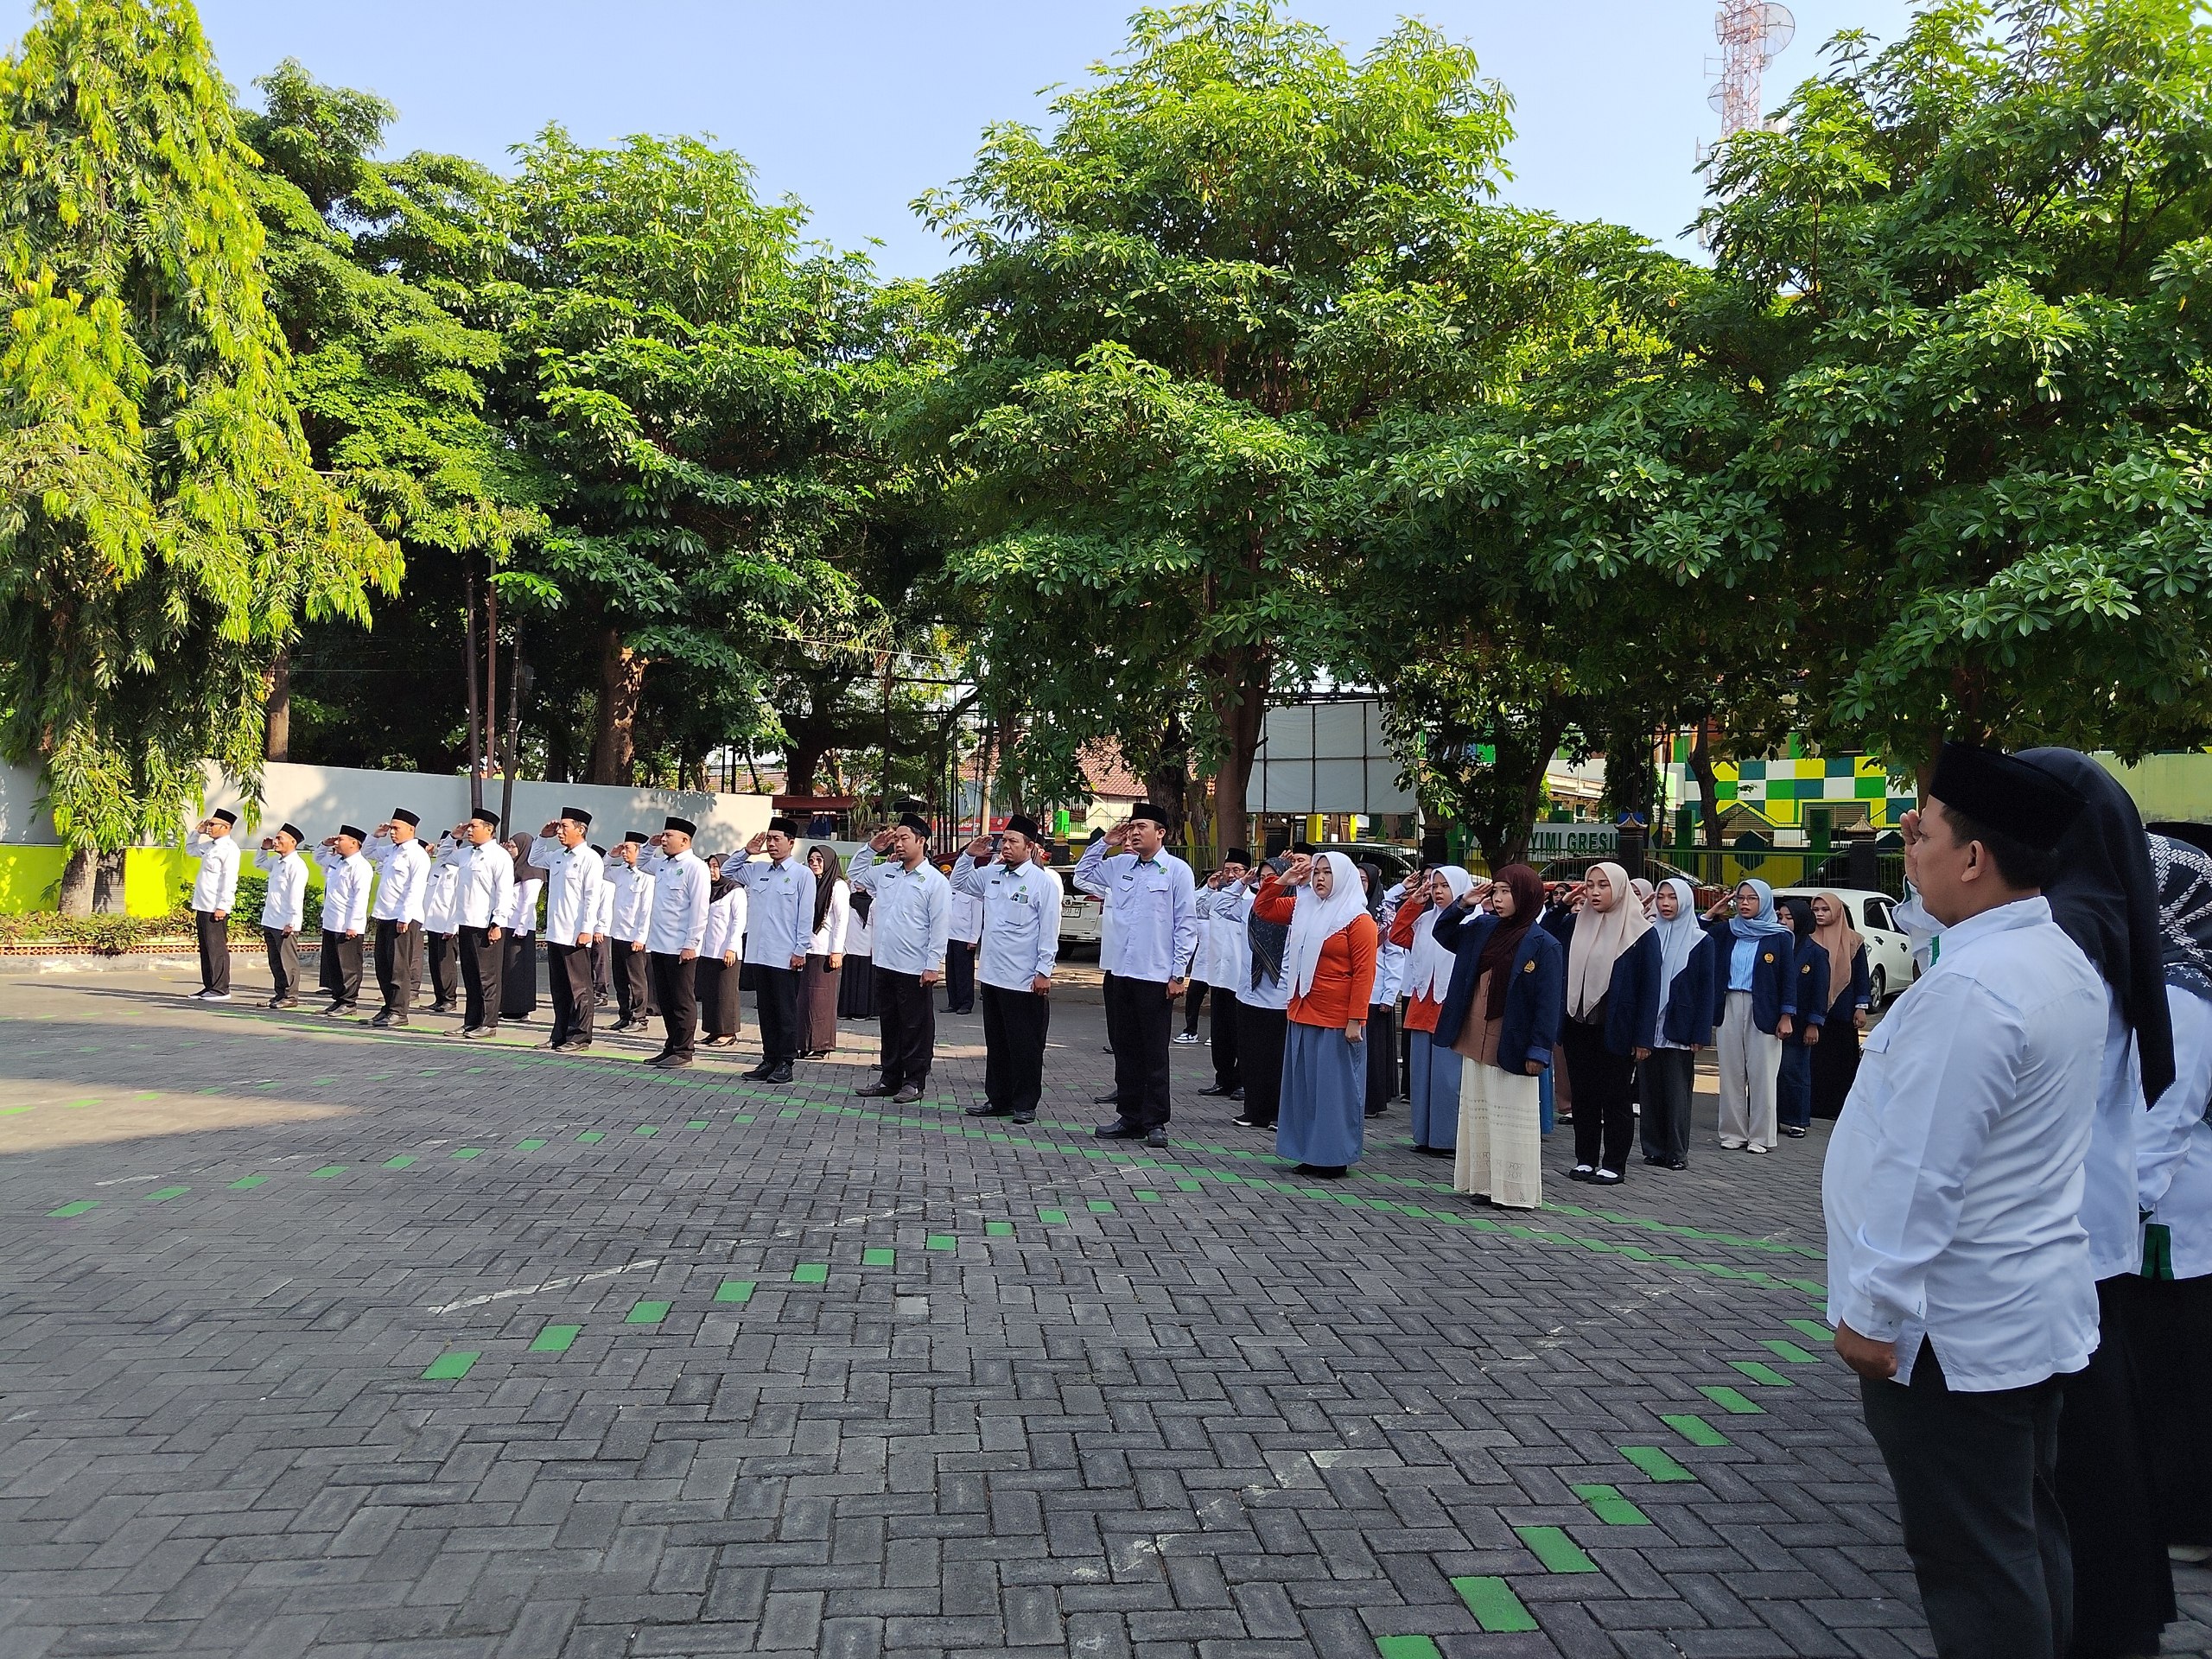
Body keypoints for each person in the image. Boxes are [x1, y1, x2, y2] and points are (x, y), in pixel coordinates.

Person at [1825, 741, 2101, 1659]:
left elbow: (1921, 1171)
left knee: (1973, 1562)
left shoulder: (1975, 988)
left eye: (1923, 834)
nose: (1910, 849)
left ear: (1975, 858)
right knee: (2019, 1532)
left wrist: (1874, 1313)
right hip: (2021, 1311)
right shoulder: (2046, 953)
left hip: (1949, 1330)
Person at [2021, 748, 2178, 1658]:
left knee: (2080, 1462)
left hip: (2061, 1236)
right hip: (2090, 1230)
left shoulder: (2068, 929)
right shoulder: (2090, 914)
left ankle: (2101, 1624)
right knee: (2099, 1456)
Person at [2135, 834, 2212, 1567]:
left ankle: (2189, 1513)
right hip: (2177, 1209)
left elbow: (2165, 1117)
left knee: (2178, 1366)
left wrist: (2126, 1201)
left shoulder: (2183, 996)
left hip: (2174, 1214)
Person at [1431, 863, 1560, 1210]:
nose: (1500, 899)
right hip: (1475, 1030)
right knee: (1479, 1112)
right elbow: (1443, 934)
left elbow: (1548, 1005)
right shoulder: (1483, 927)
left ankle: (1514, 1191)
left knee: (1511, 1114)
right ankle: (1484, 1184)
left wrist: (1539, 1050)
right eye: (1497, 891)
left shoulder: (1543, 944)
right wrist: (1462, 904)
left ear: (1528, 896)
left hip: (1512, 1037)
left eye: (1508, 892)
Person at [1076, 804, 1199, 1148]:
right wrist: (1105, 843)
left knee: (1154, 1051)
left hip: (1155, 974)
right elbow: (1081, 875)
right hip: (1120, 971)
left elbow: (1186, 924)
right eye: (1131, 826)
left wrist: (1178, 973)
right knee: (1125, 1046)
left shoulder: (1177, 871)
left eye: (1141, 826)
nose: (1133, 832)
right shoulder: (1119, 865)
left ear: (1160, 832)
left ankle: (1155, 1120)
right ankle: (1128, 1116)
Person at [1255, 850, 1378, 1178]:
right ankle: (1308, 1151)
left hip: (1337, 1019)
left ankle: (1333, 1156)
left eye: (1328, 872)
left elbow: (1365, 974)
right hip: (1302, 1010)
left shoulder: (1358, 919)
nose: (1320, 878)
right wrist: (1284, 880)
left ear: (1344, 877)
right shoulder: (1303, 907)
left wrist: (1356, 1020)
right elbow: (1263, 908)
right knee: (1305, 1089)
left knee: (1333, 1092)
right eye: (1317, 872)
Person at [1544, 861, 1660, 1185]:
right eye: (1590, 884)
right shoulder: (1575, 923)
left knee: (1616, 1097)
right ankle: (1585, 1158)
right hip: (1577, 1024)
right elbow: (1546, 938)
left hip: (1616, 1029)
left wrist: (1643, 1038)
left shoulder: (1641, 932)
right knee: (1583, 1096)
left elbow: (1650, 990)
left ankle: (1614, 1163)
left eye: (1603, 885)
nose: (1594, 891)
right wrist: (1558, 906)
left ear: (1620, 888)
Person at [952, 814, 1061, 1124]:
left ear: (1031, 847)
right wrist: (969, 854)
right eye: (1004, 840)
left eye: (1013, 841)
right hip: (992, 973)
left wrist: (1044, 971)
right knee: (997, 1043)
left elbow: (1048, 930)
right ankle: (997, 1099)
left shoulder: (1042, 883)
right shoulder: (991, 873)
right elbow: (959, 882)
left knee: (1024, 1044)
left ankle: (1025, 1102)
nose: (1006, 846)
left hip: (1024, 978)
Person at [849, 814, 951, 1103]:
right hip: (884, 963)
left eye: (905, 837)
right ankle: (890, 1078)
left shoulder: (934, 882)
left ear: (922, 841)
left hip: (914, 966)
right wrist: (871, 848)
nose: (899, 843)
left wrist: (933, 965)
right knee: (889, 1023)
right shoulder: (888, 872)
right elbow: (855, 874)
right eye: (897, 838)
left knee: (915, 1026)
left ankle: (914, 1081)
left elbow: (940, 926)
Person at [1703, 879, 1797, 1154]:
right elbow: (1696, 935)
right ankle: (1733, 1132)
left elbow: (1787, 979)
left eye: (1752, 899)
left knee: (1763, 1074)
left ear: (1765, 902)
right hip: (1729, 1004)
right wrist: (1711, 913)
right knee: (1731, 1073)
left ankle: (1761, 1136)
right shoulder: (1727, 932)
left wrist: (1786, 1015)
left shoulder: (1778, 936)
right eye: (1740, 898)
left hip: (1764, 1009)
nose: (1744, 903)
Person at [1391, 866, 1477, 1156]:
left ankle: (1447, 1138)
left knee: (1447, 1079)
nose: (1438, 891)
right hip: (1422, 1003)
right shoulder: (1424, 919)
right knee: (1423, 1078)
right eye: (1435, 885)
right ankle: (1425, 1135)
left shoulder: (1473, 923)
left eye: (1445, 886)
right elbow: (1397, 934)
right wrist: (1414, 902)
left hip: (1450, 1007)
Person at [1641, 877, 1716, 1170]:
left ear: (1685, 901)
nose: (1666, 904)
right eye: (1661, 898)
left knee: (1676, 1091)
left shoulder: (1701, 940)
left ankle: (1676, 1150)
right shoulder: (1649, 934)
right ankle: (1653, 1147)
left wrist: (1700, 1032)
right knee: (1649, 1089)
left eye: (1672, 898)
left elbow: (1705, 989)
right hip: (1650, 1025)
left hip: (1679, 1027)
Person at [731, 818, 812, 1083]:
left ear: (791, 842)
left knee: (785, 1011)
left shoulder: (802, 875)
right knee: (765, 1011)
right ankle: (769, 1059)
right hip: (758, 953)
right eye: (770, 839)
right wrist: (747, 852)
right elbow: (729, 871)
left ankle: (786, 1062)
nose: (772, 844)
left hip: (785, 954)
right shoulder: (758, 870)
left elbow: (805, 915)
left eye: (778, 839)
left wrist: (801, 949)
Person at [1212, 856, 1287, 1130]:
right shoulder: (1249, 904)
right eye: (1263, 876)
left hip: (1281, 994)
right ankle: (1255, 1110)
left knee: (1277, 1058)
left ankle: (1279, 1112)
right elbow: (1217, 906)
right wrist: (1241, 883)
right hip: (1249, 991)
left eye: (1274, 876)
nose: (1268, 881)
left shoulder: (1295, 907)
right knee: (1252, 1057)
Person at [526, 809, 606, 1052]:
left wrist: (586, 929)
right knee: (559, 988)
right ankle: (559, 1034)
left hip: (576, 934)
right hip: (556, 932)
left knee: (580, 988)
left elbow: (593, 897)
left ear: (580, 830)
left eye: (564, 827)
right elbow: (534, 860)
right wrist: (542, 836)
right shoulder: (559, 855)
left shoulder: (590, 858)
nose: (560, 832)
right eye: (558, 828)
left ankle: (580, 1036)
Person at [644, 817, 710, 1068]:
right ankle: (671, 1045)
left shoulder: (695, 867)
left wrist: (691, 943)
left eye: (668, 835)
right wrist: (649, 845)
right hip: (660, 944)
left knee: (682, 1001)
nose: (664, 839)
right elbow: (640, 862)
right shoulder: (663, 865)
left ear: (685, 840)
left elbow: (699, 908)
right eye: (663, 834)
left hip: (681, 946)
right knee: (666, 1000)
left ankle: (684, 1050)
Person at [442, 810, 514, 1038]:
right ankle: (471, 1021)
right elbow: (444, 856)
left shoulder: (498, 856)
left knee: (488, 977)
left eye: (474, 826)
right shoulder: (465, 854)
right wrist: (454, 837)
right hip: (466, 922)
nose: (469, 830)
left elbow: (504, 892)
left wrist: (498, 922)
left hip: (486, 924)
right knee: (471, 976)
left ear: (489, 829)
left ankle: (489, 1023)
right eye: (469, 826)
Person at [1807, 892, 1872, 1121]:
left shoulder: (1854, 940)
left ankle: (1838, 1108)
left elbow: (1861, 975)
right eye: (1816, 910)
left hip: (1842, 1012)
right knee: (1815, 1062)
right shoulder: (1808, 938)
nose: (1820, 915)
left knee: (1841, 1062)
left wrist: (1860, 1006)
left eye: (1825, 910)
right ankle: (1813, 1106)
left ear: (1837, 911)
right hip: (1813, 1012)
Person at [1193, 848, 1250, 1100]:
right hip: (1218, 975)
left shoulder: (1252, 898)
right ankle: (1223, 1078)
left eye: (1236, 870)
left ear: (1247, 873)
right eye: (1227, 870)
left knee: (1241, 1032)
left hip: (1241, 978)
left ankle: (1243, 1080)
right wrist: (1209, 887)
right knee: (1220, 1032)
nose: (1230, 875)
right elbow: (1196, 909)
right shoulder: (1217, 897)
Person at [365, 809, 430, 1029]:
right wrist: (376, 834)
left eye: (396, 828)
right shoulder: (393, 851)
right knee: (383, 965)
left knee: (398, 967)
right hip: (385, 915)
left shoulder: (417, 854)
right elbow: (367, 852)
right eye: (391, 828)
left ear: (411, 830)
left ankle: (399, 1011)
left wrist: (405, 917)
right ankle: (387, 1007)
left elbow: (416, 888)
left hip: (403, 918)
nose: (392, 832)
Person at [1774, 896, 1831, 1141]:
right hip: (1771, 1021)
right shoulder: (1773, 946)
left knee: (1794, 1071)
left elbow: (1820, 990)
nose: (1784, 922)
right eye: (1780, 917)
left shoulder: (1816, 953)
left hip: (1800, 1024)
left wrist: (1813, 1023)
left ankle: (1797, 1119)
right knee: (1770, 1072)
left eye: (1789, 918)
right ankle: (1770, 1117)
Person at [313, 825, 373, 1017]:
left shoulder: (360, 866)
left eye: (341, 840)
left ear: (354, 843)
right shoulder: (338, 862)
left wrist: (353, 925)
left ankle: (349, 1002)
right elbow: (318, 858)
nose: (337, 843)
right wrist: (324, 844)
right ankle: (338, 999)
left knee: (348, 965)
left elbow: (360, 897)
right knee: (334, 964)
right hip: (331, 921)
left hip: (347, 924)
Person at [184, 808, 241, 1001]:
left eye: (212, 825)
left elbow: (229, 879)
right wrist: (196, 833)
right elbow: (191, 850)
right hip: (203, 904)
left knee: (217, 948)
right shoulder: (211, 846)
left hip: (216, 906)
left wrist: (223, 906)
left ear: (226, 827)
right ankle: (209, 986)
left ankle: (221, 989)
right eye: (208, 824)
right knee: (206, 947)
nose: (209, 827)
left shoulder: (230, 849)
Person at [799, 845, 851, 1056]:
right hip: (806, 948)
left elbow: (841, 920)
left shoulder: (837, 886)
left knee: (821, 1000)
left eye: (819, 860)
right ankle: (804, 1044)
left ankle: (821, 1045)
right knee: (804, 1001)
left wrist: (836, 951)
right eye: (811, 860)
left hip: (826, 950)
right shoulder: (809, 883)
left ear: (829, 861)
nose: (814, 864)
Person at [605, 832, 658, 1033]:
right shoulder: (620, 872)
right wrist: (612, 855)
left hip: (634, 936)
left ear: (639, 851)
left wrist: (641, 936)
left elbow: (646, 909)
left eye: (628, 849)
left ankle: (640, 1018)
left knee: (636, 979)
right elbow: (600, 871)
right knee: (620, 979)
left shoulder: (646, 876)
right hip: (618, 932)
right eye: (624, 848)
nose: (625, 852)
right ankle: (624, 1015)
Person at [1362, 863, 1402, 1119]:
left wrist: (1389, 994)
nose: (1360, 885)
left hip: (1376, 994)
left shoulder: (1385, 914)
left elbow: (1395, 956)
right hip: (1351, 991)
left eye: (1364, 880)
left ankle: (1372, 1101)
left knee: (1373, 1051)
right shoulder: (1346, 909)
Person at [253, 823, 309, 1009]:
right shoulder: (277, 862)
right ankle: (279, 994)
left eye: (280, 839)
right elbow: (259, 863)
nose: (275, 842)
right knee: (275, 961)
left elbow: (296, 895)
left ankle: (291, 996)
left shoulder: (297, 866)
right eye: (276, 838)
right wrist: (263, 849)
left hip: (285, 922)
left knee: (288, 961)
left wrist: (291, 922)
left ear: (293, 842)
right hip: (271, 919)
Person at [696, 855, 746, 1049]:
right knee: (710, 993)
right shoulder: (707, 890)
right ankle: (713, 1030)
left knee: (725, 992)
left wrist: (732, 947)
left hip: (727, 950)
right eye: (709, 866)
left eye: (716, 866)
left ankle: (728, 1032)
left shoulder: (735, 891)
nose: (712, 870)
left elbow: (738, 922)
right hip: (708, 950)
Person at [497, 836, 543, 1021]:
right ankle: (508, 1007)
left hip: (521, 928)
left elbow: (529, 902)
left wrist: (522, 927)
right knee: (508, 970)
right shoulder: (514, 868)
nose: (511, 848)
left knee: (519, 971)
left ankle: (520, 1009)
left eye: (514, 846)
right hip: (509, 924)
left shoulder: (532, 871)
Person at [421, 823, 462, 1015]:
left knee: (446, 964)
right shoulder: (436, 866)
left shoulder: (458, 869)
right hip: (432, 922)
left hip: (447, 924)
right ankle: (439, 997)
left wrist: (452, 926)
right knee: (435, 963)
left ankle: (449, 999)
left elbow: (457, 900)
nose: (440, 847)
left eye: (445, 844)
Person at [944, 861, 982, 1016]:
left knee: (964, 973)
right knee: (950, 972)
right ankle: (953, 1002)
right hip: (949, 935)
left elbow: (978, 917)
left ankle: (966, 1003)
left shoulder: (975, 891)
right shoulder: (950, 887)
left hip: (964, 937)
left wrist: (974, 939)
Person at [836, 884, 876, 1020]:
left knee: (863, 979)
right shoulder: (848, 900)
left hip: (867, 945)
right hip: (850, 945)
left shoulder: (874, 902)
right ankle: (846, 1010)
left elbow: (877, 924)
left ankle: (862, 1011)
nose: (858, 885)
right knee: (849, 978)